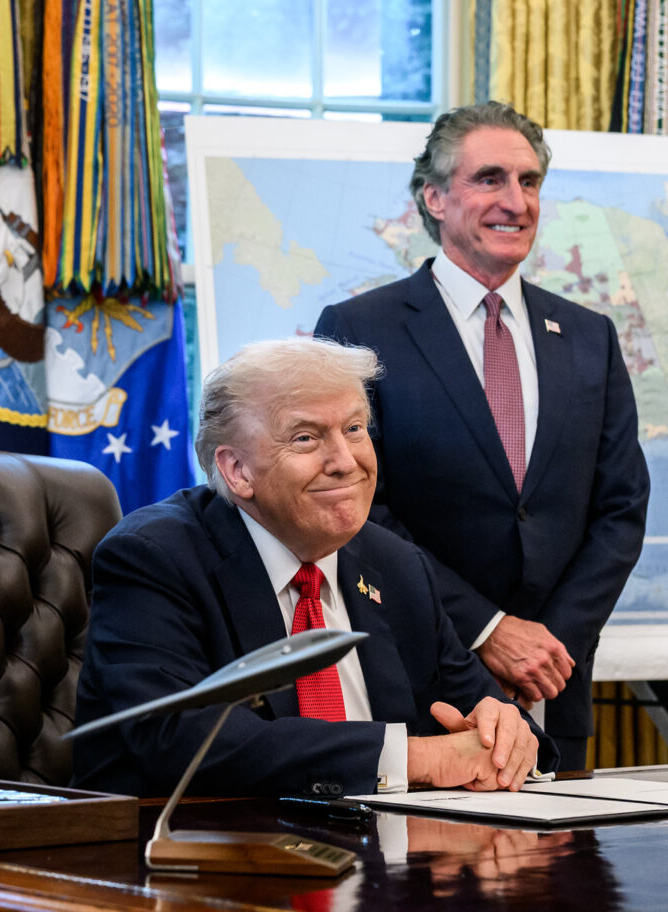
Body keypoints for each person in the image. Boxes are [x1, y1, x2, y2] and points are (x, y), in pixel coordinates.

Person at [314, 101, 649, 770]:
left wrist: (551, 645)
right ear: (434, 198)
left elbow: (620, 509)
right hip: (423, 685)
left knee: (560, 876)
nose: (516, 201)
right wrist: (488, 629)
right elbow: (357, 509)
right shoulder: (361, 329)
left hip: (555, 684)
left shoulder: (590, 337)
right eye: (490, 179)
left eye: (529, 183)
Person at [73, 336, 553, 798]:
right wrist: (414, 759)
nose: (346, 461)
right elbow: (177, 738)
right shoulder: (155, 556)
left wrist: (509, 738)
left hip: (386, 864)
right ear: (237, 470)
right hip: (196, 862)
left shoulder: (397, 565)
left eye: (354, 429)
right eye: (306, 438)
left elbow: (495, 722)